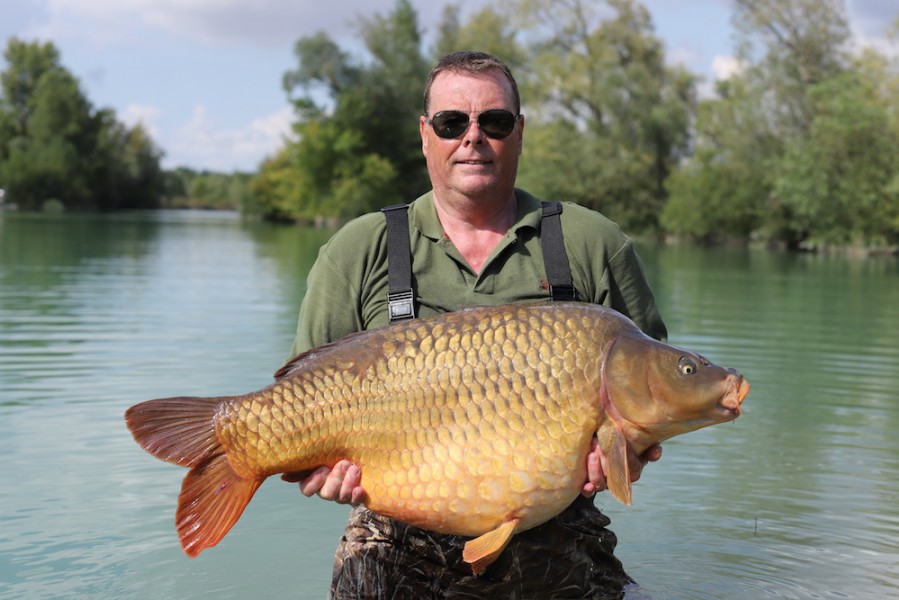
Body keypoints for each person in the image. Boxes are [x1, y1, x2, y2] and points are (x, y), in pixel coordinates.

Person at [286, 51, 666, 599]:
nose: (473, 137)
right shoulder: (358, 250)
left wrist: (625, 452)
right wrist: (321, 472)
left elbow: (650, 395)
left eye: (494, 120)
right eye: (451, 123)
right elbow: (303, 401)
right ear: (425, 135)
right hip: (395, 536)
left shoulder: (591, 243)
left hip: (555, 533)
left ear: (518, 132)